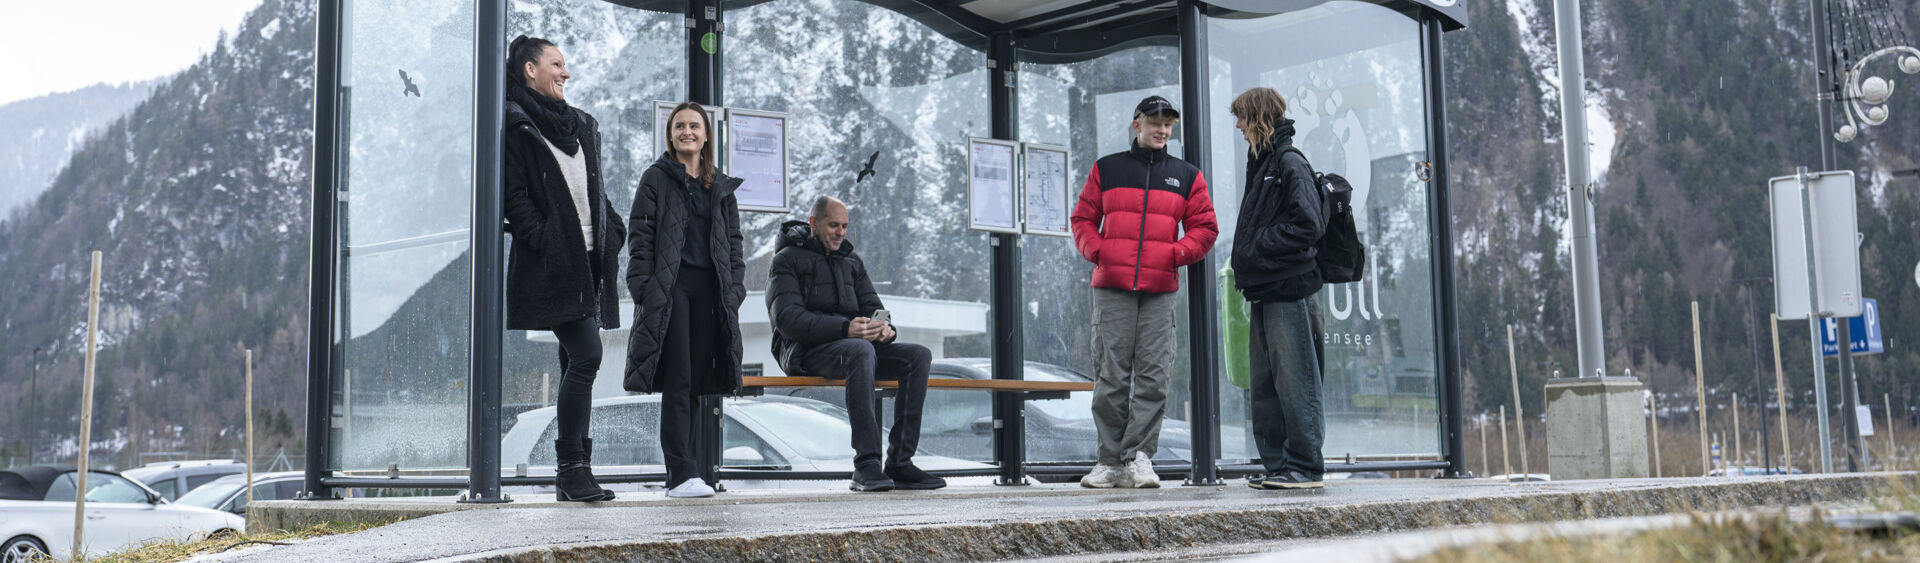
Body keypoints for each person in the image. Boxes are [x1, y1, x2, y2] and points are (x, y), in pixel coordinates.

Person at [1069, 95, 1218, 489]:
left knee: (1154, 376)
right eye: (1155, 123)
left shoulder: (1187, 175)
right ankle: (1109, 463)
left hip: (1160, 290)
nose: (1162, 130)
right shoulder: (1107, 168)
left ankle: (1139, 458)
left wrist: (1174, 255)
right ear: (1136, 125)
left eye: (1168, 124)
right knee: (1111, 376)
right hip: (1112, 288)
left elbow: (1206, 228)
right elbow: (1082, 219)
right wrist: (1098, 251)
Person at [502, 35, 624, 502]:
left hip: (589, 261)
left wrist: (613, 228)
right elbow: (514, 196)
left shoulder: (580, 125)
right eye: (556, 64)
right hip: (554, 265)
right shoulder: (517, 122)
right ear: (530, 69)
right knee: (588, 356)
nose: (565, 72)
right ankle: (572, 468)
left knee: (576, 360)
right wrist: (546, 240)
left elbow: (591, 187)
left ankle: (572, 474)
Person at [766, 196, 944, 492]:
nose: (840, 232)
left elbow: (875, 308)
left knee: (918, 356)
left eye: (845, 226)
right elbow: (788, 320)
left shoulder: (851, 261)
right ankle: (866, 464)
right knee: (860, 350)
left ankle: (900, 462)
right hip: (806, 352)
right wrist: (845, 328)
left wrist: (885, 329)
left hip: (856, 350)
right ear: (814, 223)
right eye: (833, 225)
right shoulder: (785, 260)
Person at [623, 101, 747, 499]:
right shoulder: (656, 178)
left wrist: (735, 290)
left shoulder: (720, 187)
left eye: (694, 126)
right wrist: (644, 288)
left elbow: (734, 243)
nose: (687, 132)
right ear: (670, 135)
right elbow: (640, 236)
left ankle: (690, 471)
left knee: (695, 381)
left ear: (706, 135)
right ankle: (680, 475)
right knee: (678, 378)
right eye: (679, 126)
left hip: (711, 292)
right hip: (671, 288)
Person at [1229, 86, 1328, 490]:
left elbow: (1309, 224)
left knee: (1296, 381)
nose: (1238, 126)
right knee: (1266, 383)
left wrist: (1257, 245)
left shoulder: (1289, 162)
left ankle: (1305, 466)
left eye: (1241, 117)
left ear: (1258, 117)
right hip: (1266, 288)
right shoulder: (1264, 163)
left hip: (1290, 289)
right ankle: (1279, 466)